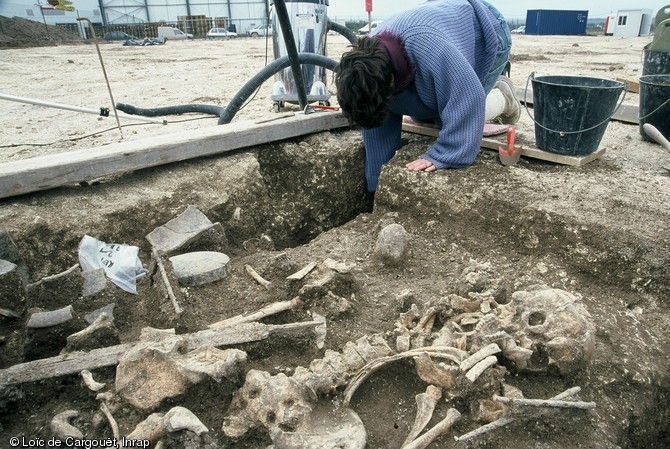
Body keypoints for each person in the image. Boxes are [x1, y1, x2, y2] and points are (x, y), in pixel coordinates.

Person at [334, 0, 519, 192]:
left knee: (451, 120)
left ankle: (503, 97)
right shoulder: (369, 70)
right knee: (426, 113)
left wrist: (446, 153)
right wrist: (376, 184)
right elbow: (377, 123)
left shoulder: (429, 46)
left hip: (485, 29)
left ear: (390, 82)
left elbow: (469, 97)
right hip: (440, 32)